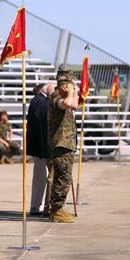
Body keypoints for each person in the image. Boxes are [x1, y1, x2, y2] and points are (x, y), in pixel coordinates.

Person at [47, 70, 78, 223]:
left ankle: (56, 209)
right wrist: (70, 92)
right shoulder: (57, 97)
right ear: (65, 86)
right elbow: (66, 104)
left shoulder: (64, 96)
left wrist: (74, 92)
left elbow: (74, 104)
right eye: (71, 85)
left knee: (63, 177)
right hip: (61, 144)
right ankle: (57, 211)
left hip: (65, 144)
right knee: (62, 178)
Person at [27, 82, 56, 216]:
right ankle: (36, 206)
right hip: (41, 147)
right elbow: (43, 126)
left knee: (42, 178)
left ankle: (38, 205)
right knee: (41, 178)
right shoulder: (41, 101)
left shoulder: (39, 100)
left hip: (40, 146)